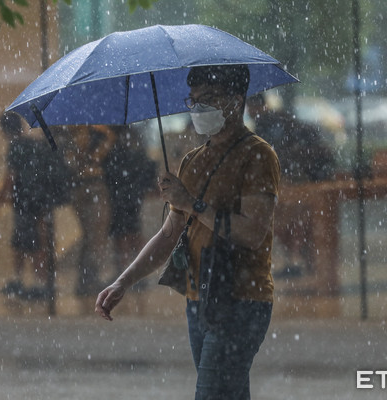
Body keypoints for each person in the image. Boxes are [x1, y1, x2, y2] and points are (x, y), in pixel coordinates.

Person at [96, 64, 280, 400]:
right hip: (199, 300)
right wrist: (124, 281)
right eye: (193, 100)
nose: (198, 108)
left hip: (240, 300)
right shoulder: (192, 160)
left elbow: (252, 233)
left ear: (236, 100)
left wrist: (192, 203)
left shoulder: (257, 155)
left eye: (208, 99)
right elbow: (169, 235)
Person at [246, 93, 336, 278]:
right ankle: (302, 259)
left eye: (251, 107)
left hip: (296, 177)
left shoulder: (269, 123)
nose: (249, 112)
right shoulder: (276, 119)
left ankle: (297, 259)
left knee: (288, 217)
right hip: (303, 175)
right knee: (295, 217)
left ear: (260, 106)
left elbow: (273, 153)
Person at [0, 111, 70, 300]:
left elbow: (10, 178)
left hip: (24, 201)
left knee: (22, 241)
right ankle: (41, 282)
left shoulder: (16, 147)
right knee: (40, 240)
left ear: (5, 130)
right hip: (40, 200)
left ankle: (20, 280)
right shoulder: (35, 144)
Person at [65, 124, 116, 296]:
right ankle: (89, 278)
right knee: (96, 236)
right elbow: (103, 147)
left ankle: (86, 278)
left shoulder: (70, 133)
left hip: (81, 187)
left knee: (91, 235)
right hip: (92, 185)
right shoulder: (83, 133)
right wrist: (100, 130)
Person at [103, 124, 157, 274]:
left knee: (126, 233)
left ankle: (129, 270)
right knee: (129, 231)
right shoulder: (129, 138)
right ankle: (134, 269)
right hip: (127, 193)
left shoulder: (115, 141)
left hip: (123, 193)